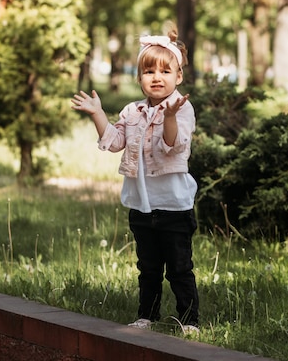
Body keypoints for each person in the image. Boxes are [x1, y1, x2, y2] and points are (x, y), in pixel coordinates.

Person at [71, 23, 200, 335]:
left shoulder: (182, 109)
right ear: (140, 78)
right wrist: (97, 115)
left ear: (178, 77)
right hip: (142, 205)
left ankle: (189, 320)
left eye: (165, 72)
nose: (157, 78)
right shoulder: (132, 111)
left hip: (173, 206)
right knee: (149, 268)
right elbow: (115, 142)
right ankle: (147, 316)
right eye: (149, 72)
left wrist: (168, 117)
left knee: (180, 268)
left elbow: (173, 145)